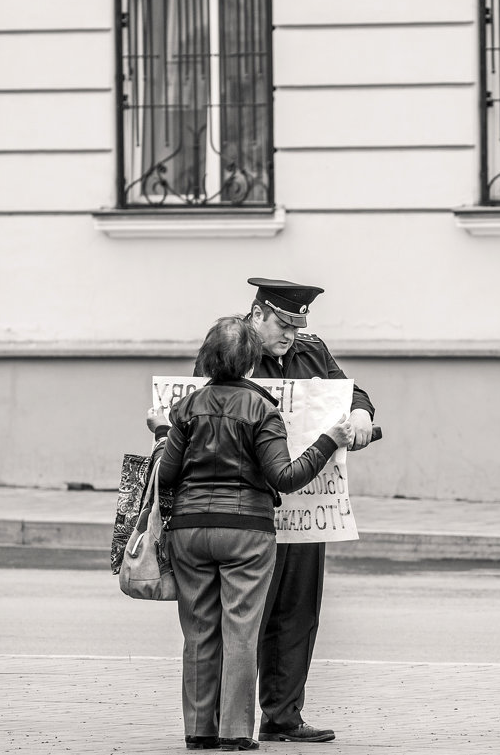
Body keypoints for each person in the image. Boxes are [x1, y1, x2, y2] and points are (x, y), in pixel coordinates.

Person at [149, 316, 354, 751]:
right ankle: (236, 732)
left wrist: (162, 433)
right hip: (245, 534)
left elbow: (166, 475)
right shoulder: (262, 408)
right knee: (240, 631)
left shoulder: (185, 408)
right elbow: (285, 475)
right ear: (248, 361)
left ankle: (200, 731)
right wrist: (327, 440)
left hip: (189, 533)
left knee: (199, 632)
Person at [195, 278, 375, 745]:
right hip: (249, 509)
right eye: (282, 325)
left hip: (306, 506)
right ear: (258, 315)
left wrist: (360, 412)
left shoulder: (312, 351)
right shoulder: (230, 352)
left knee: (297, 613)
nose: (290, 336)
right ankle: (228, 722)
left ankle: (284, 715)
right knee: (245, 618)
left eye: (297, 327)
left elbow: (350, 391)